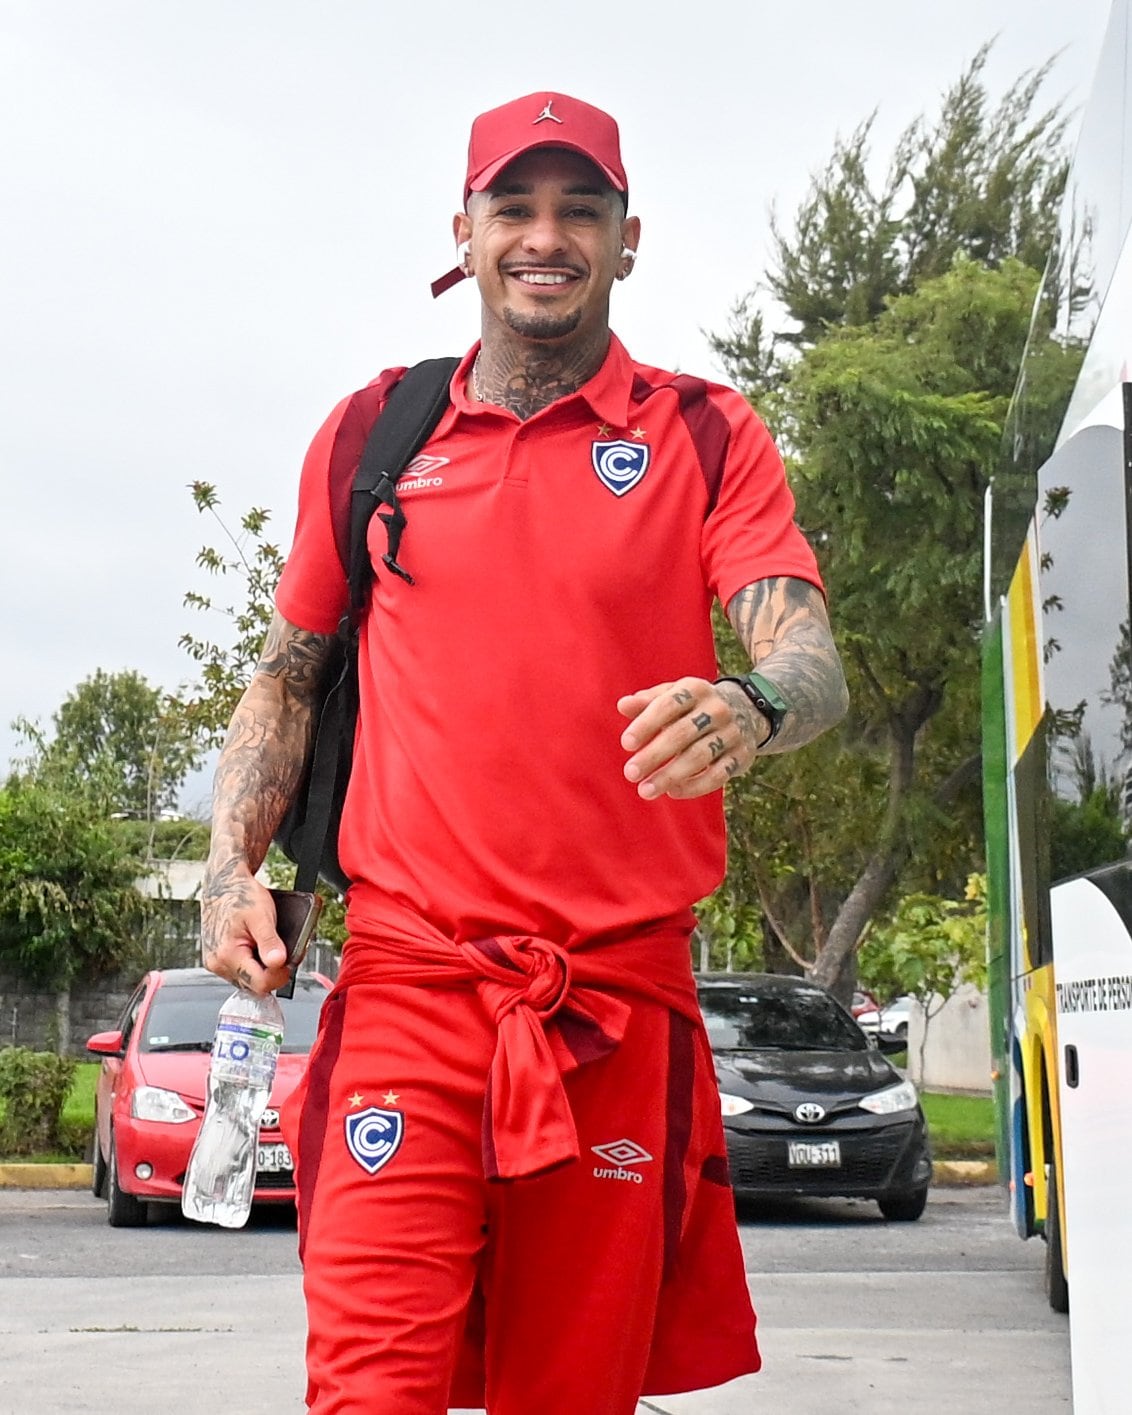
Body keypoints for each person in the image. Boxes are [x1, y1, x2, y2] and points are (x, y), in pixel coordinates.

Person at [201, 90, 849, 1415]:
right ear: (467, 230)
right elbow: (286, 679)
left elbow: (809, 659)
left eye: (581, 210)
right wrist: (226, 867)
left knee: (571, 1398)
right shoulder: (378, 432)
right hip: (408, 989)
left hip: (612, 1003)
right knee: (370, 1390)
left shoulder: (706, 432)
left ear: (628, 240)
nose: (545, 236)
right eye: (516, 206)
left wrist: (754, 706)